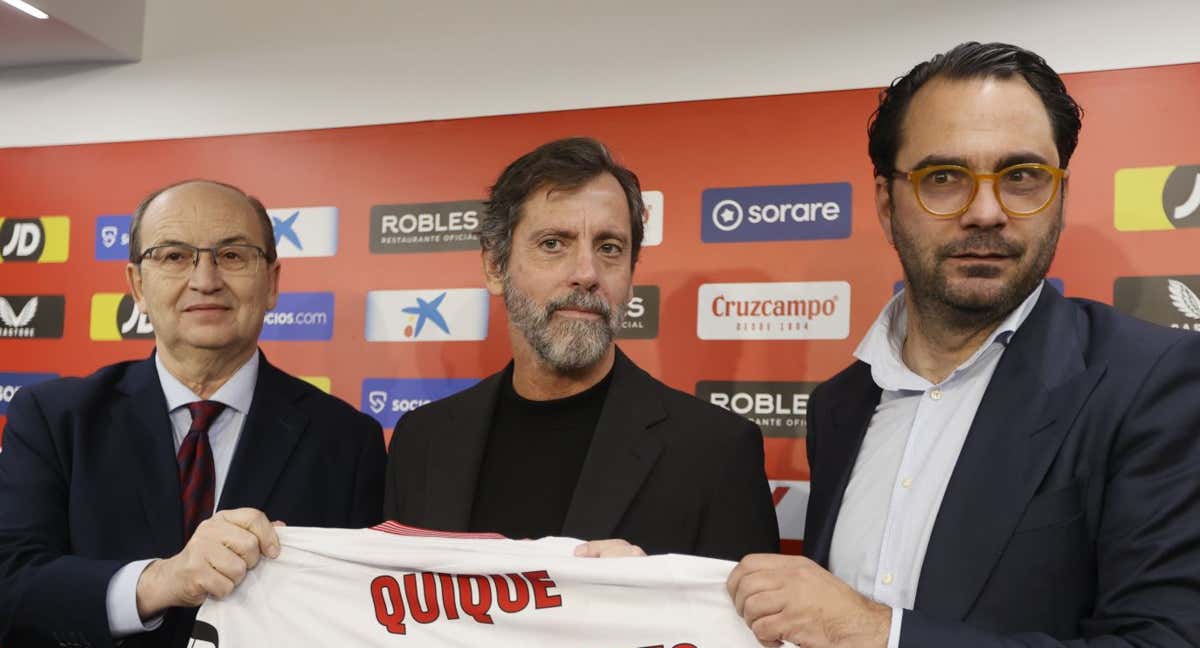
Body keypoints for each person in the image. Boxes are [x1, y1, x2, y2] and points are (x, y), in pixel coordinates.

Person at [727, 42, 1200, 647]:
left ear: (1060, 195)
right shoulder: (839, 406)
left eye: (1021, 177)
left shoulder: (1151, 384)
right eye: (943, 178)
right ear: (884, 203)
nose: (985, 211)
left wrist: (878, 634)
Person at [0, 180, 386, 648]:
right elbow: (12, 585)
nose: (205, 280)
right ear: (138, 286)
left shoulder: (347, 440)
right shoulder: (53, 418)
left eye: (233, 255)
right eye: (174, 256)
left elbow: (359, 617)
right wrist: (161, 581)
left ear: (272, 282)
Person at [384, 137, 779, 561]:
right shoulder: (422, 441)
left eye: (610, 248)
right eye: (554, 243)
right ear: (495, 267)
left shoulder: (715, 452)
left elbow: (737, 626)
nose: (586, 274)